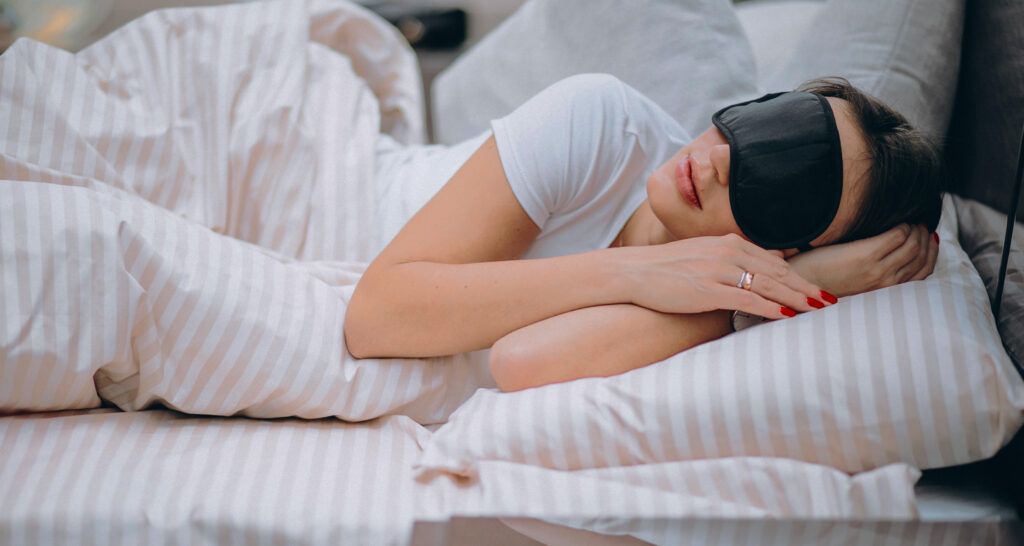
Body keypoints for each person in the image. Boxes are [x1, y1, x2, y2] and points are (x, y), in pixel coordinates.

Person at [345, 74, 943, 392]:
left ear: (782, 253)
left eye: (779, 187)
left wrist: (765, 293)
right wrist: (638, 272)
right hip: (329, 184)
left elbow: (519, 361)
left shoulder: (706, 317)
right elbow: (375, 316)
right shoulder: (600, 122)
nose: (720, 160)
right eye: (765, 128)